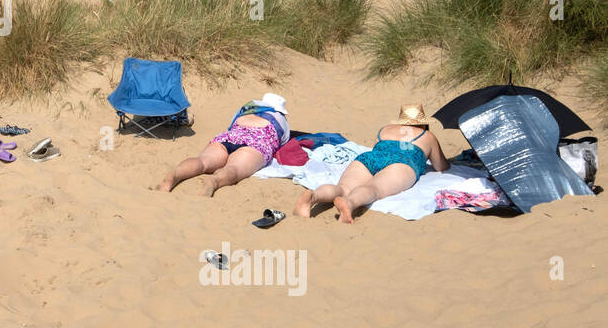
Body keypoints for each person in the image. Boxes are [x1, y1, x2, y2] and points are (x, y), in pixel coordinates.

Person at [292, 104, 448, 224]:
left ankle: (313, 196)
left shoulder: (385, 129)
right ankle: (350, 203)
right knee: (374, 189)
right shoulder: (427, 136)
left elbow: (377, 149)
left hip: (371, 158)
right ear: (422, 123)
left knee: (343, 188)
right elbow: (440, 166)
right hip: (401, 163)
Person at [157, 93, 290, 197]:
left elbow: (232, 125)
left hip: (229, 137)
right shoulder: (280, 119)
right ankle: (214, 181)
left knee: (202, 162)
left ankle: (175, 174)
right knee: (234, 169)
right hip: (255, 144)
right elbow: (282, 142)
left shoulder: (246, 110)